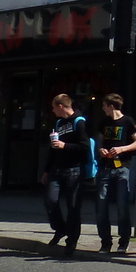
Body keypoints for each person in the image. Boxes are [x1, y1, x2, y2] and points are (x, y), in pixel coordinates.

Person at [41, 94, 91, 258]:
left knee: (73, 207)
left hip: (74, 170)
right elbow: (53, 149)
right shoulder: (58, 123)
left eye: (54, 107)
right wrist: (47, 170)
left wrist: (65, 145)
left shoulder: (79, 121)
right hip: (57, 168)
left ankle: (72, 240)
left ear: (61, 106)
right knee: (50, 200)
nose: (53, 110)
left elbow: (84, 146)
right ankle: (60, 228)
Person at [93, 93, 136, 254]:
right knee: (101, 206)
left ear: (111, 106)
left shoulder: (127, 121)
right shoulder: (104, 122)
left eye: (104, 106)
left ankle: (124, 241)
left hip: (122, 168)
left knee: (122, 206)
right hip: (105, 168)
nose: (103, 109)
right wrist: (100, 149)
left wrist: (122, 149)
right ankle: (105, 242)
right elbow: (99, 141)